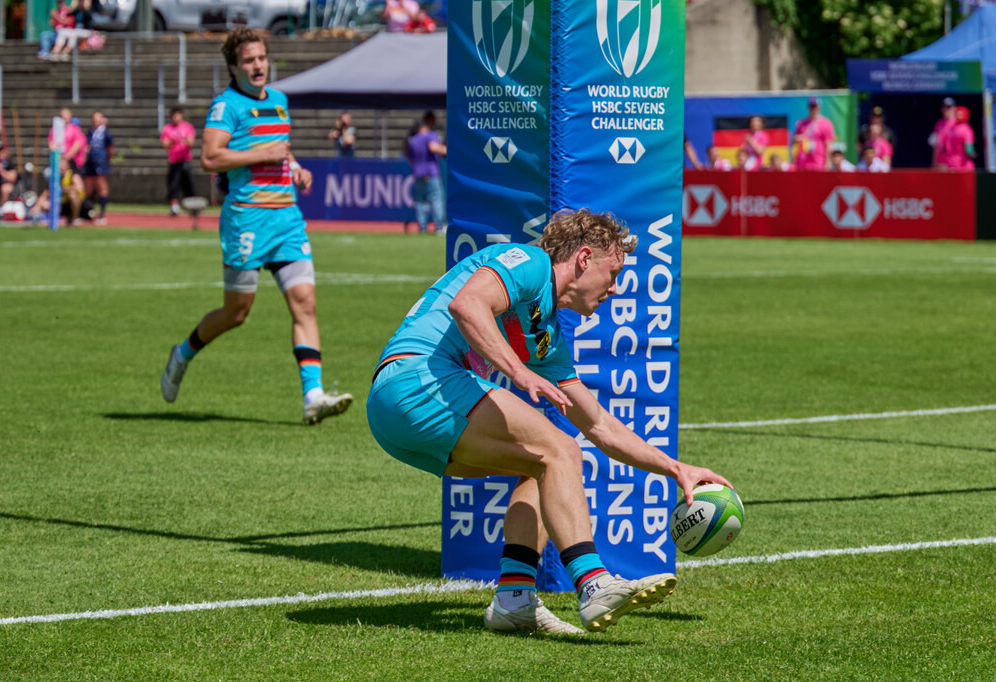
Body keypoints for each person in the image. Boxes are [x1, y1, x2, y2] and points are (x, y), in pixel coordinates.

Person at [367, 208, 733, 634]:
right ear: (583, 259)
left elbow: (599, 426)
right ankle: (594, 584)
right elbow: (467, 304)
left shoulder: (545, 336)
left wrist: (676, 469)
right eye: (612, 273)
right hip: (413, 382)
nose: (614, 289)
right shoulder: (529, 263)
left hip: (396, 417)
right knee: (559, 450)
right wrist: (520, 373)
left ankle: (514, 600)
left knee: (540, 465)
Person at [161, 27, 352, 426]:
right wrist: (264, 152)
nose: (258, 65)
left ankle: (312, 396)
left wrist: (296, 169)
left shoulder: (280, 101)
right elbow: (211, 158)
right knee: (236, 314)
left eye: (262, 58)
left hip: (286, 218)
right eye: (248, 60)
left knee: (306, 304)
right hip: (246, 218)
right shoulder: (225, 106)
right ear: (234, 67)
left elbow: (281, 150)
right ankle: (182, 354)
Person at [405, 110, 447, 234]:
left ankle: (422, 227)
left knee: (420, 200)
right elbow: (433, 147)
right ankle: (439, 227)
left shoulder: (413, 140)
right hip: (431, 173)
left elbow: (410, 158)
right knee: (436, 199)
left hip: (418, 173)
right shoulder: (430, 135)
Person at [160, 107, 196, 216]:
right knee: (173, 185)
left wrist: (184, 140)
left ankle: (191, 207)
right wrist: (172, 142)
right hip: (174, 161)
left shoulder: (187, 127)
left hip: (185, 160)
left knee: (188, 185)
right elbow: (165, 144)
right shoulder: (167, 128)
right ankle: (175, 207)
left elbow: (191, 142)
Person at [82, 110, 114, 224]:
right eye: (94, 119)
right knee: (88, 188)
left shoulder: (106, 133)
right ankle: (88, 212)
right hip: (90, 162)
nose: (95, 121)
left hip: (101, 162)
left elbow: (110, 148)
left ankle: (102, 214)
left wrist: (105, 160)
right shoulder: (90, 132)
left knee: (102, 188)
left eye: (97, 119)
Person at [792, 96, 835, 170]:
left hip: (818, 163)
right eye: (811, 106)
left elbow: (828, 145)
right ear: (808, 107)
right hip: (802, 163)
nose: (813, 109)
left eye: (815, 106)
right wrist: (801, 137)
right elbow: (794, 140)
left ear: (819, 107)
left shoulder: (826, 123)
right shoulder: (801, 123)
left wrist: (827, 163)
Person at [942, 106, 976, 171]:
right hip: (964, 168)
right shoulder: (966, 129)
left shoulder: (948, 126)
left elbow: (943, 148)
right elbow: (969, 150)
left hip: (950, 166)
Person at [930, 97, 959, 169]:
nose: (946, 110)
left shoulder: (959, 124)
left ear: (954, 109)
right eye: (944, 107)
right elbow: (935, 146)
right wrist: (934, 164)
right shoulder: (939, 124)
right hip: (941, 164)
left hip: (956, 165)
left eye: (949, 107)